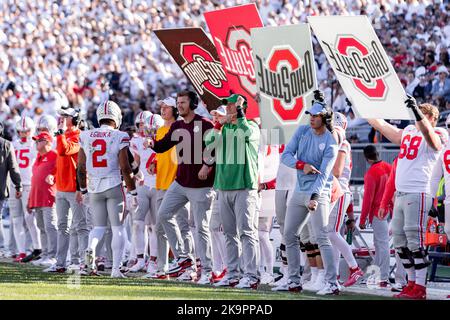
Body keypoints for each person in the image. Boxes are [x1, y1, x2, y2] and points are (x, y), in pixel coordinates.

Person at [368, 95, 447, 299]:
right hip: (401, 192)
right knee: (400, 242)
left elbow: (433, 141)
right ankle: (411, 283)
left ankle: (420, 287)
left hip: (418, 191)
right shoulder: (410, 130)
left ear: (430, 117)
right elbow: (387, 129)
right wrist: (366, 110)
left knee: (415, 240)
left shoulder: (438, 131)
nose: (414, 115)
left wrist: (419, 115)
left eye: (420, 112)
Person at [150, 90, 215, 284]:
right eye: (178, 102)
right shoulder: (177, 125)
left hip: (201, 185)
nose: (179, 105)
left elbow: (217, 148)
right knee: (163, 214)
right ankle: (183, 258)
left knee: (201, 228)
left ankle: (208, 271)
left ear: (193, 104)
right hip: (180, 182)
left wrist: (207, 165)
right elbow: (162, 146)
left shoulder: (205, 124)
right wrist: (151, 143)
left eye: (183, 102)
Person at [280, 90, 339, 295]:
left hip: (319, 192)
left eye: (315, 116)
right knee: (289, 233)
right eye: (311, 115)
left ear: (324, 118)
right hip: (299, 190)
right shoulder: (302, 131)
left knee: (322, 237)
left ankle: (332, 283)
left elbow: (325, 175)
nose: (311, 119)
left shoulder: (331, 141)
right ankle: (294, 281)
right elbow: (285, 156)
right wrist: (301, 164)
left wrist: (314, 197)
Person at [206, 94, 260, 289]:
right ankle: (233, 274)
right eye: (227, 105)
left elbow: (246, 133)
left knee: (246, 232)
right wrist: (219, 124)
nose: (227, 108)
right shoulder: (224, 128)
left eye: (231, 105)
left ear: (240, 107)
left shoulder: (251, 125)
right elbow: (209, 143)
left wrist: (238, 114)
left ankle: (251, 275)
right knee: (229, 233)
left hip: (244, 186)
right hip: (224, 187)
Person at [77, 100, 137, 278]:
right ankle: (116, 270)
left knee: (98, 228)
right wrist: (133, 192)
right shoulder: (119, 136)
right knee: (118, 228)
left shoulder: (86, 135)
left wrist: (83, 190)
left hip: (94, 186)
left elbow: (80, 168)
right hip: (113, 185)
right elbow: (126, 168)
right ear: (116, 117)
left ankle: (90, 251)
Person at [145, 97, 194, 280]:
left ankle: (188, 267)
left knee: (183, 226)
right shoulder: (160, 131)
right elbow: (163, 153)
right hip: (161, 183)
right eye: (162, 107)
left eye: (166, 107)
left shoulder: (182, 128)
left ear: (175, 109)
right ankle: (162, 268)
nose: (163, 110)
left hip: (178, 184)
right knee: (160, 228)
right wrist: (155, 163)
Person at [45, 106, 89, 273]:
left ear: (76, 120)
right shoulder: (62, 135)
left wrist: (61, 133)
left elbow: (64, 151)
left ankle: (82, 263)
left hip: (75, 189)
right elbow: (60, 160)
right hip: (62, 188)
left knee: (80, 226)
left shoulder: (80, 136)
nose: (62, 118)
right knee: (62, 226)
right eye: (61, 115)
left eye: (66, 116)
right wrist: (53, 174)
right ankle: (61, 263)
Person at [327, 113, 364, 287]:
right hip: (333, 190)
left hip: (338, 190)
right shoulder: (333, 140)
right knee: (332, 235)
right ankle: (333, 276)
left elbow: (337, 171)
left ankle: (354, 268)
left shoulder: (342, 142)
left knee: (331, 232)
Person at [360, 145, 392, 288]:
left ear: (366, 158)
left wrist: (362, 219)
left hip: (378, 212)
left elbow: (368, 199)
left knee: (382, 245)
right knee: (380, 245)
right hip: (389, 210)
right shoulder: (388, 167)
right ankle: (378, 276)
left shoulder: (371, 173)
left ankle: (383, 277)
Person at [9, 117, 39, 263]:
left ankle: (37, 248)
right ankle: (21, 251)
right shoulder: (12, 145)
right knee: (16, 220)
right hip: (14, 184)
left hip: (29, 184)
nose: (23, 134)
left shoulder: (35, 145)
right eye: (21, 131)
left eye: (26, 131)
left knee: (30, 219)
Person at [127, 110, 154, 273]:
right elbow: (134, 165)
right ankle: (139, 258)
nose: (143, 128)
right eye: (141, 125)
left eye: (146, 125)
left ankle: (153, 260)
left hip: (157, 185)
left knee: (153, 226)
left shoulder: (160, 140)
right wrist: (131, 188)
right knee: (137, 224)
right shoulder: (136, 142)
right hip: (141, 185)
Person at [27, 131, 58, 268]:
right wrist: (29, 200)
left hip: (49, 196)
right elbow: (34, 180)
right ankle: (45, 254)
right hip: (37, 197)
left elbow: (60, 172)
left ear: (46, 141)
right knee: (42, 227)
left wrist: (53, 177)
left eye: (38, 141)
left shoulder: (54, 155)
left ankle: (53, 256)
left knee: (50, 226)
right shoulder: (38, 157)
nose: (35, 143)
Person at [0, 122, 23, 256]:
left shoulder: (6, 145)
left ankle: (2, 245)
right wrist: (18, 184)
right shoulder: (7, 144)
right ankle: (2, 246)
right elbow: (13, 167)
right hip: (1, 188)